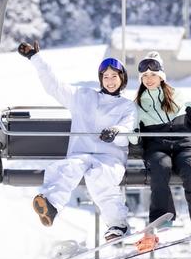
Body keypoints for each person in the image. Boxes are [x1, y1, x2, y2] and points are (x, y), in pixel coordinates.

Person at [18, 40, 137, 241]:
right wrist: (36, 58)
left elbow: (129, 129)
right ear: (100, 79)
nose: (109, 81)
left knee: (102, 178)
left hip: (110, 158)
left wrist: (115, 132)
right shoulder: (83, 96)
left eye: (114, 77)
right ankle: (51, 205)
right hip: (81, 153)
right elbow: (54, 86)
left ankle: (118, 224)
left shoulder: (127, 107)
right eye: (105, 77)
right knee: (68, 168)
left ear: (122, 79)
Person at [131, 51, 191, 249]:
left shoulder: (178, 97)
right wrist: (129, 131)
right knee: (159, 168)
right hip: (157, 147)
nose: (149, 79)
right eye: (145, 76)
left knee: (190, 170)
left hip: (184, 144)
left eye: (153, 75)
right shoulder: (137, 106)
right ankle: (163, 217)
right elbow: (135, 136)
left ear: (161, 76)